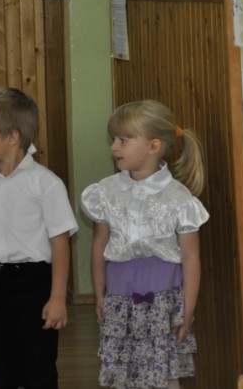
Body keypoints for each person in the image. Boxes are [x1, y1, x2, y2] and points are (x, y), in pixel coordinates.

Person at [0, 88, 78, 388]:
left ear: (12, 137)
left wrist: (58, 297)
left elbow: (60, 243)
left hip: (34, 284)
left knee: (39, 364)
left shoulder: (46, 183)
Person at [80, 100, 208, 389]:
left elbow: (191, 257)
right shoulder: (105, 192)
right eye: (114, 139)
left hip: (164, 301)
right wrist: (99, 294)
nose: (114, 147)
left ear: (153, 146)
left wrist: (187, 310)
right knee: (122, 374)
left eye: (123, 140)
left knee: (164, 377)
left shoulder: (179, 198)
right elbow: (99, 246)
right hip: (119, 297)